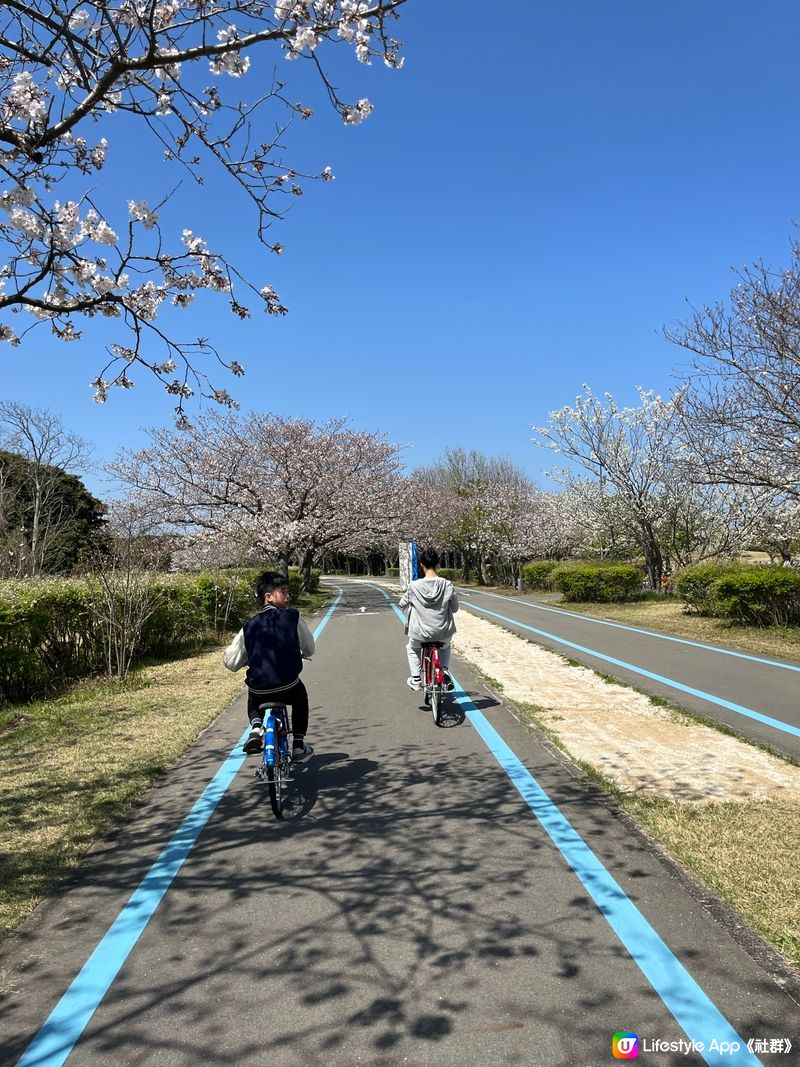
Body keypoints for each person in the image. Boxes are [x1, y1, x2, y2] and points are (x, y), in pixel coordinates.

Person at [223, 570, 316, 760]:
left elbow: (231, 662)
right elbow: (310, 648)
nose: (288, 596)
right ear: (269, 597)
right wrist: (302, 652)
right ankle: (298, 744)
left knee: (253, 696)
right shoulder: (293, 617)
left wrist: (246, 659)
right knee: (301, 698)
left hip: (260, 691)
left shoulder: (249, 626)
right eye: (283, 591)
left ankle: (256, 728)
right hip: (289, 686)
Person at [399, 547, 458, 691]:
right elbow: (455, 608)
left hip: (420, 633)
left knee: (412, 648)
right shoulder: (447, 585)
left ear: (421, 565)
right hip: (443, 632)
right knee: (445, 646)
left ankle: (416, 679)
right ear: (438, 564)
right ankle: (443, 670)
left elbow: (402, 603)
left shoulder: (414, 586)